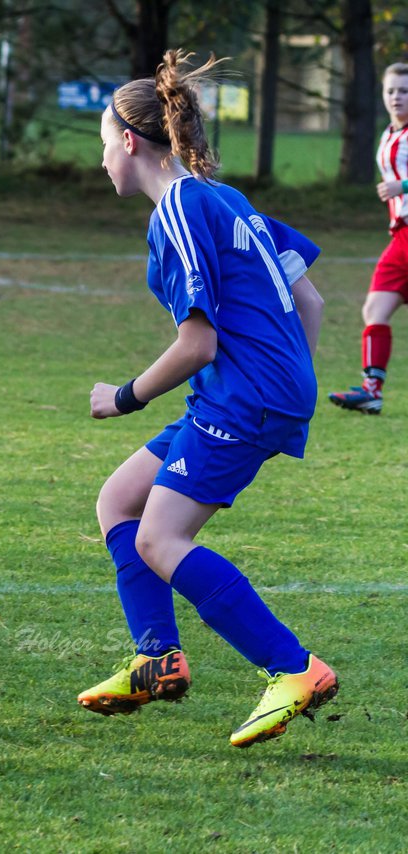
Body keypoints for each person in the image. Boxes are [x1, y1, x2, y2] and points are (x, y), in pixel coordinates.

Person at [78, 50, 338, 748]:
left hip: (239, 395)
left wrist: (125, 396)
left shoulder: (181, 211)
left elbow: (198, 343)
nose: (102, 160)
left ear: (130, 142)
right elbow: (307, 297)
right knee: (120, 501)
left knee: (161, 538)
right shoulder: (224, 197)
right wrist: (286, 379)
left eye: (104, 144)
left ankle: (294, 669)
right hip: (252, 392)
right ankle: (156, 658)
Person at [328, 62, 408, 414]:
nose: (396, 97)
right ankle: (371, 391)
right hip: (401, 237)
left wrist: (402, 186)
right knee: (375, 308)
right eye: (391, 90)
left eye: (404, 91)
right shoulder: (389, 134)